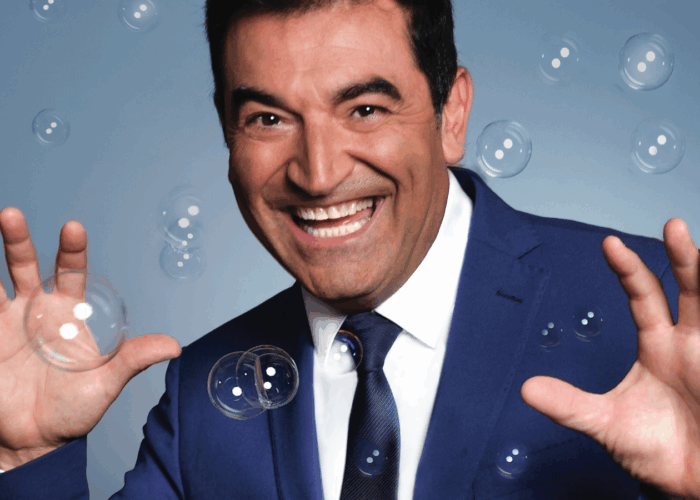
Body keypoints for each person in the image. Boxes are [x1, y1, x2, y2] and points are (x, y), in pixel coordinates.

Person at [0, 0, 699, 498]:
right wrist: (28, 456)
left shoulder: (660, 318)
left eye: (364, 109)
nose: (318, 173)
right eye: (268, 118)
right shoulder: (203, 395)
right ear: (226, 132)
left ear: (451, 113)